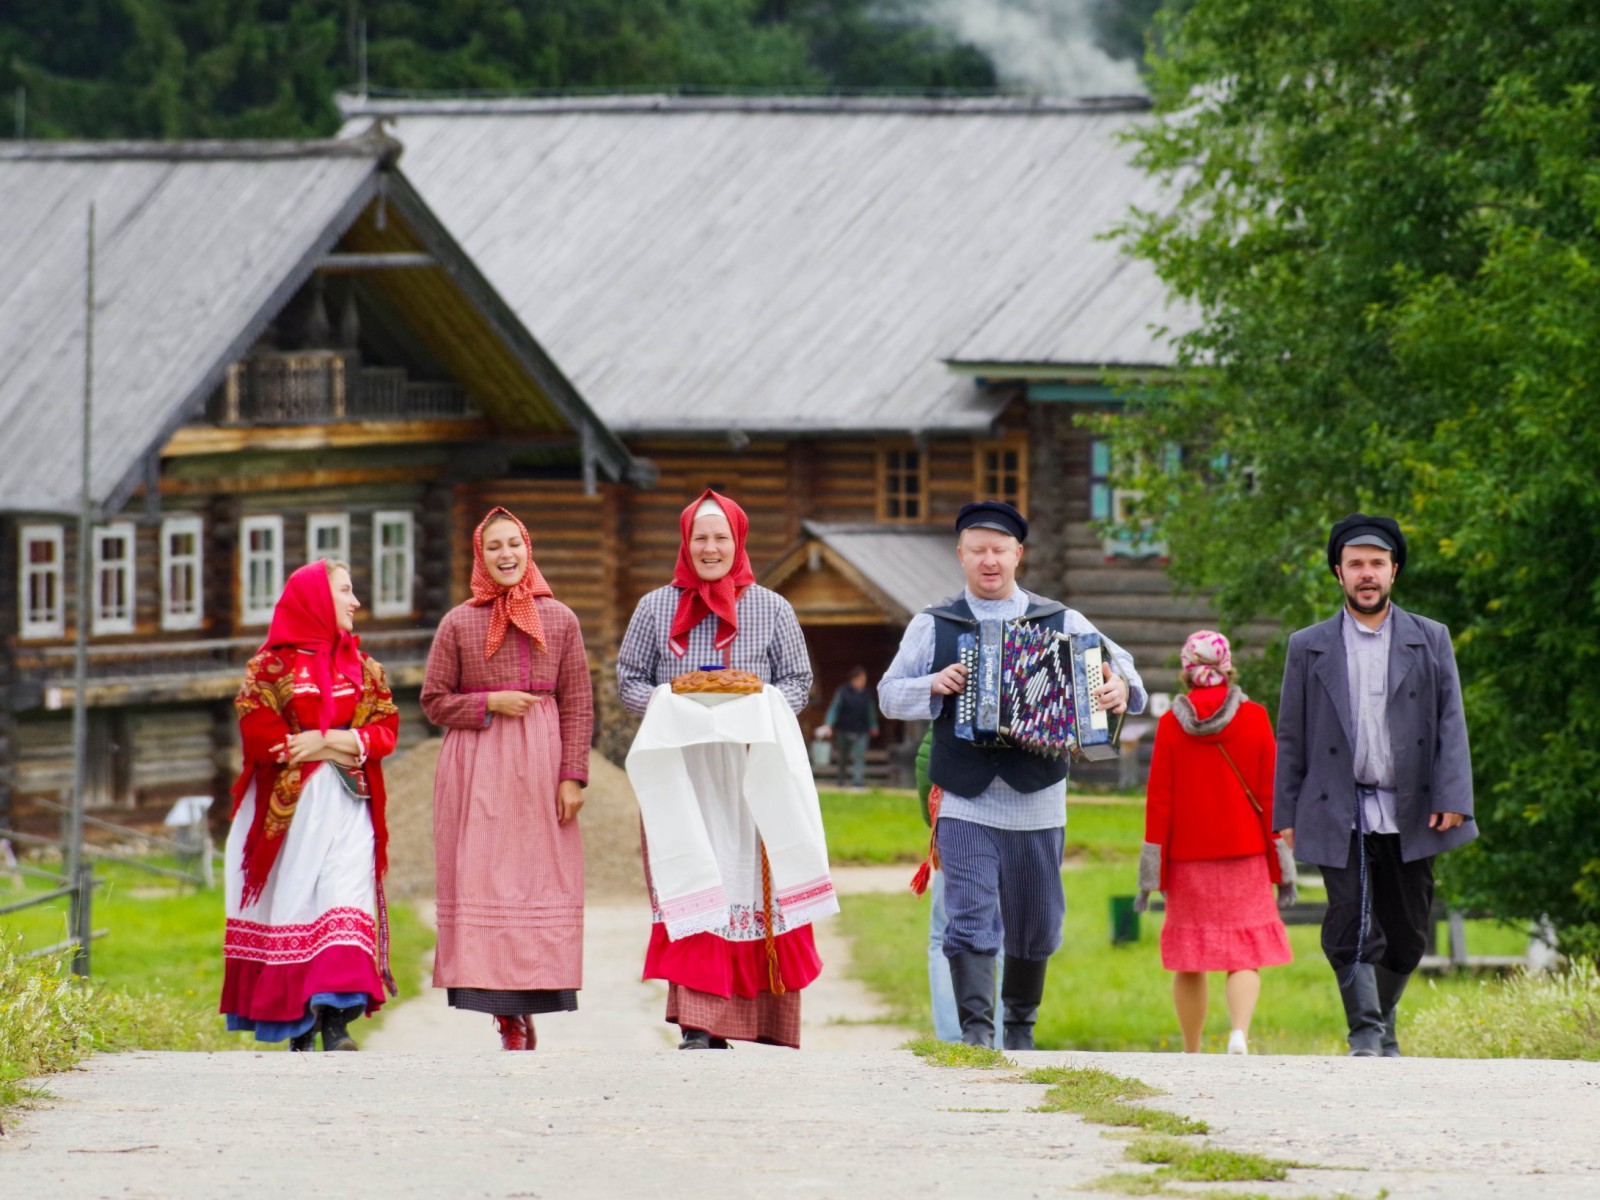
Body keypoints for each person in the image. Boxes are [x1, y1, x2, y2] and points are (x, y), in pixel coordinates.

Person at [879, 500, 1144, 1050]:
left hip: (1038, 799)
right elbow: (887, 696)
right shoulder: (936, 623)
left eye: (999, 550)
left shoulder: (1060, 620)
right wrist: (933, 684)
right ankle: (977, 1038)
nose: (989, 561)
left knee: (1037, 926)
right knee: (968, 915)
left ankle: (1018, 1033)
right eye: (978, 551)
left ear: (1018, 554)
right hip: (964, 797)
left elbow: (1125, 675)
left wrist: (1119, 690)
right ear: (961, 556)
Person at [617, 488, 823, 1049]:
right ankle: (699, 1023)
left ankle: (762, 1021)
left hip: (753, 767)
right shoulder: (656, 608)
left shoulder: (772, 608)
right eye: (700, 538)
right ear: (686, 543)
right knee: (695, 876)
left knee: (753, 885)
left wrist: (761, 710)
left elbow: (799, 682)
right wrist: (669, 704)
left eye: (720, 538)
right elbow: (629, 678)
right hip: (683, 770)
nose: (711, 548)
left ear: (739, 542)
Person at [1275, 513, 1476, 1056]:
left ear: (1394, 572)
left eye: (1377, 564)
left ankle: (1384, 1022)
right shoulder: (1308, 645)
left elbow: (1450, 723)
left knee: (1408, 930)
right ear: (1338, 573)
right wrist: (1286, 813)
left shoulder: (1430, 638)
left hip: (1412, 807)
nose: (1367, 574)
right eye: (1356, 564)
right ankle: (1365, 1032)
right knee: (1351, 918)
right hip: (1336, 804)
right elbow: (1290, 735)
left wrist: (1453, 795)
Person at [421, 507, 592, 1051]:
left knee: (539, 878)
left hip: (542, 763)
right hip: (478, 768)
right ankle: (506, 1017)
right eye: (493, 547)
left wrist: (573, 776)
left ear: (528, 547)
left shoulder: (561, 619)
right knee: (486, 878)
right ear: (480, 556)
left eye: (513, 543)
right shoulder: (458, 622)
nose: (505, 555)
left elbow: (579, 702)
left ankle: (529, 1001)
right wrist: (488, 701)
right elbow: (433, 701)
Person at [220, 559, 400, 1052]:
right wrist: (337, 742)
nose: (355, 601)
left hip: (348, 803)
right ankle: (300, 1024)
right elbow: (262, 737)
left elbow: (386, 730)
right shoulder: (271, 667)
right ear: (317, 600)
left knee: (345, 900)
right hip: (290, 810)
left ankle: (337, 1021)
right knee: (298, 901)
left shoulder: (363, 668)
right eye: (345, 590)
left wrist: (327, 741)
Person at [1136, 630, 1294, 1055]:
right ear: (1227, 668)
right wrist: (1279, 861)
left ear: (1187, 672)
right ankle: (1239, 1034)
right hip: (1246, 854)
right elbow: (1268, 795)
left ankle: (1191, 1047)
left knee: (1190, 956)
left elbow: (1160, 800)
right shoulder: (1256, 717)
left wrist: (1155, 869)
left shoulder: (1171, 724)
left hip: (1188, 859)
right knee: (1244, 954)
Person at [817, 667, 879, 789]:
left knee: (859, 756)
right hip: (844, 729)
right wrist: (829, 723)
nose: (863, 681)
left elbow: (871, 711)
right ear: (853, 680)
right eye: (861, 679)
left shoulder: (867, 694)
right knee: (843, 757)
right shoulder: (843, 692)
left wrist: (873, 725)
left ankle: (857, 781)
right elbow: (834, 708)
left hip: (861, 729)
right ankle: (841, 779)